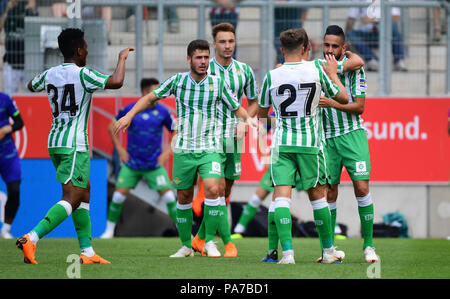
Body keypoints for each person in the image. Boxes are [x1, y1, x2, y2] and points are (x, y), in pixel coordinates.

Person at [113, 39, 256, 258]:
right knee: (184, 197)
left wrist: (246, 121)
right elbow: (151, 98)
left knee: (213, 189)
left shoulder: (218, 83)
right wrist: (130, 115)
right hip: (183, 148)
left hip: (210, 146)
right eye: (199, 57)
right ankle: (186, 245)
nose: (203, 62)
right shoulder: (177, 81)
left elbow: (238, 108)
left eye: (206, 57)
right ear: (189, 59)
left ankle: (209, 242)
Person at [16, 28, 133, 264]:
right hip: (74, 144)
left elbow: (30, 85)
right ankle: (32, 237)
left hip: (55, 142)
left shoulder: (49, 74)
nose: (87, 51)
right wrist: (121, 58)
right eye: (86, 47)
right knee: (73, 196)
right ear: (79, 50)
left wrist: (50, 78)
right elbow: (116, 81)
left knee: (84, 191)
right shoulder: (83, 74)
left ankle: (88, 252)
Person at [258, 28, 349, 265]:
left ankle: (287, 255)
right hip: (310, 144)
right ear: (305, 48)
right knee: (319, 197)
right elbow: (343, 98)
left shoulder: (271, 76)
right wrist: (333, 74)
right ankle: (329, 252)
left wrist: (279, 119)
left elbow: (260, 114)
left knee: (281, 198)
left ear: (281, 50)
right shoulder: (317, 69)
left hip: (282, 144)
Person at [190, 22, 258, 258]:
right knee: (215, 188)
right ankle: (219, 242)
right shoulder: (204, 70)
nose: (227, 46)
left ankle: (200, 238)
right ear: (214, 44)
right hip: (209, 136)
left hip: (234, 138)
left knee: (226, 190)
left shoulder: (244, 71)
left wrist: (245, 121)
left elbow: (255, 100)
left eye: (231, 41)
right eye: (222, 42)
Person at [318, 25, 378, 263]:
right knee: (329, 193)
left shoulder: (355, 71)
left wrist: (334, 104)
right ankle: (329, 249)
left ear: (344, 48)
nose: (330, 50)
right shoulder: (319, 69)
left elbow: (359, 107)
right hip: (328, 139)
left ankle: (369, 246)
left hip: (353, 136)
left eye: (335, 46)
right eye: (326, 45)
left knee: (361, 188)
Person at [100, 78, 177, 239]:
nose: (159, 94)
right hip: (132, 164)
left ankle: (184, 232)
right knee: (118, 196)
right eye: (155, 91)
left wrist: (167, 152)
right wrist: (120, 149)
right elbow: (110, 127)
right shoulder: (131, 110)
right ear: (144, 92)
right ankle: (109, 231)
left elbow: (176, 131)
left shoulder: (163, 112)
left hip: (154, 165)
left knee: (170, 197)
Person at [346, 0, 407, 72]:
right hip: (366, 35)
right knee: (350, 33)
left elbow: (396, 18)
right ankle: (372, 60)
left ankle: (398, 60)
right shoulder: (359, 1)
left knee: (393, 25)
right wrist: (343, 39)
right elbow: (350, 20)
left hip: (384, 35)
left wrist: (374, 19)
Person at [0, 0, 38, 95]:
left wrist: (33, 11)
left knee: (31, 95)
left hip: (29, 63)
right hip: (11, 61)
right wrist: (7, 10)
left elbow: (38, 27)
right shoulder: (8, 8)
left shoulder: (29, 9)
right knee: (9, 95)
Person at [0, 91, 24, 238]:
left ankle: (6, 229)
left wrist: (6, 129)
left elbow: (19, 122)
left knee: (14, 190)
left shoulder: (5, 99)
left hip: (7, 153)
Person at [274, 0, 309, 64]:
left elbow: (304, 11)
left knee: (296, 58)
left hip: (296, 33)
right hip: (279, 33)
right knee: (282, 58)